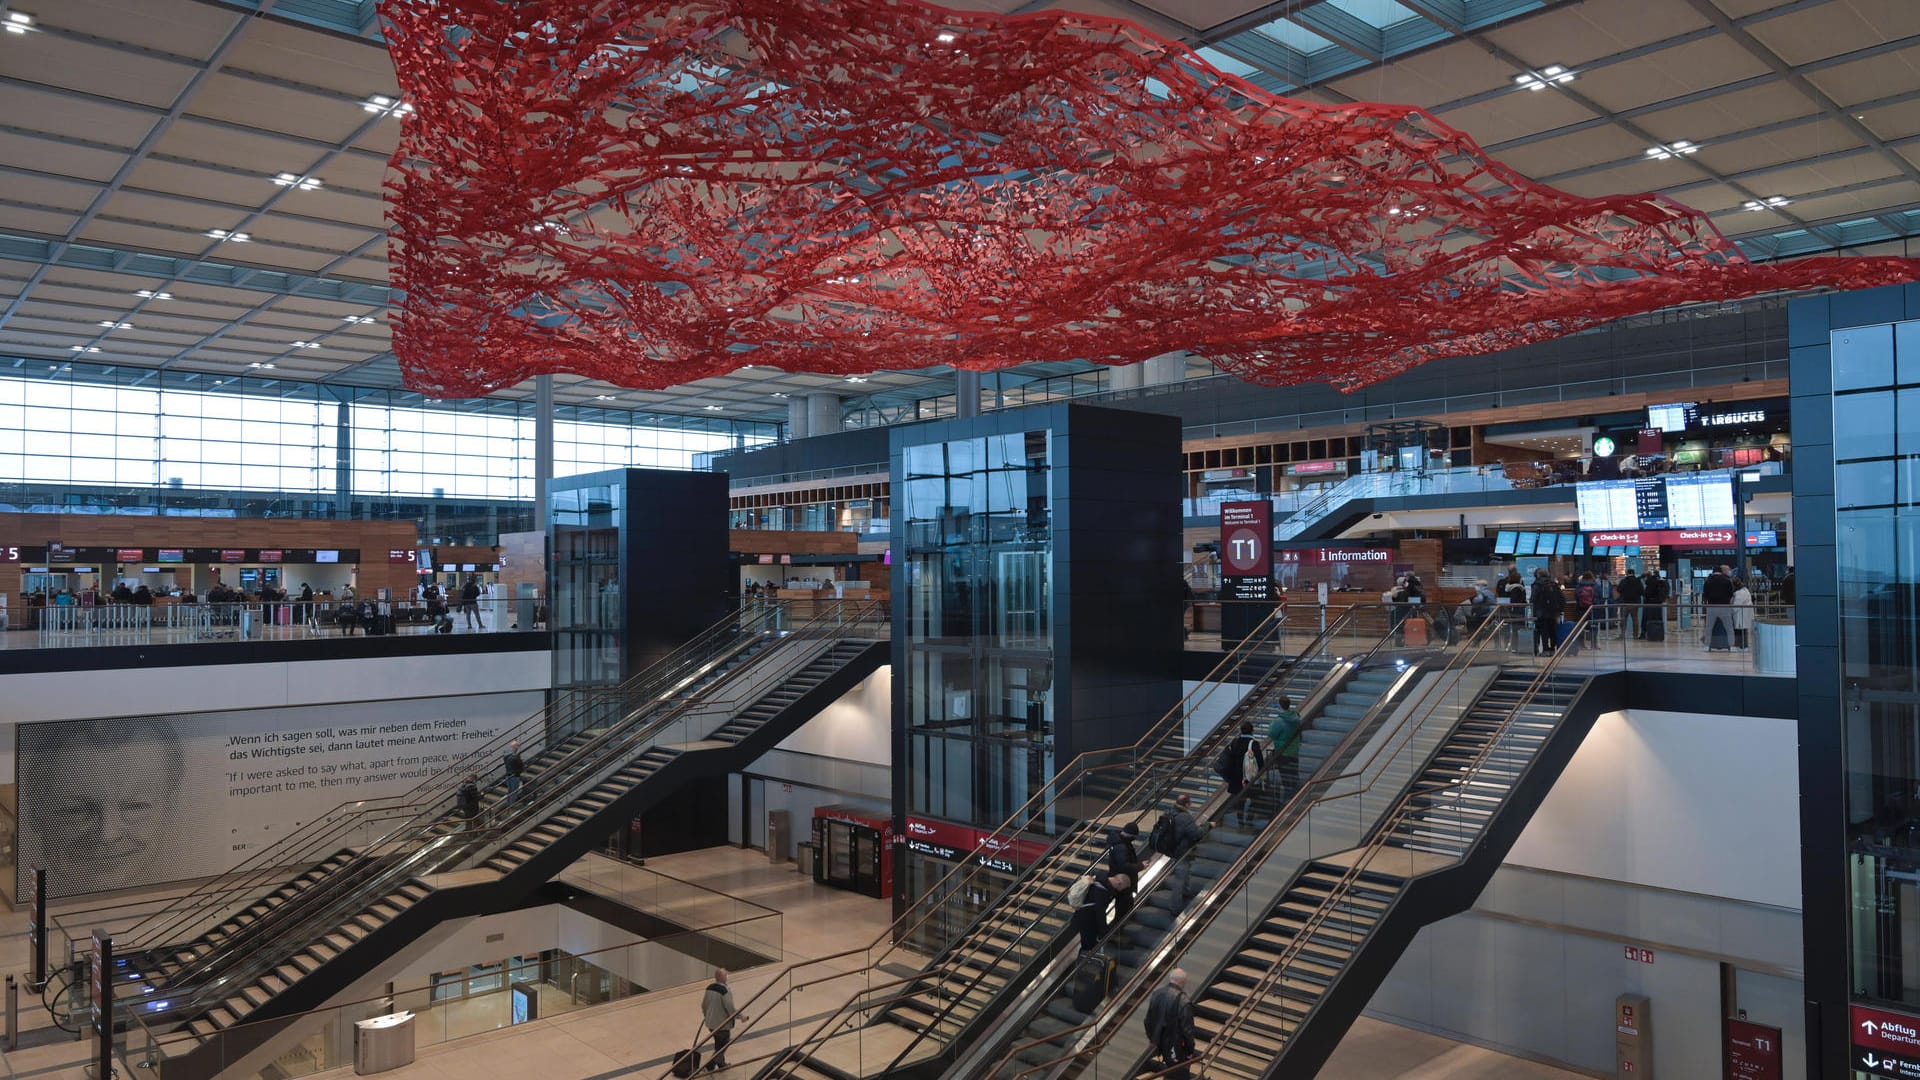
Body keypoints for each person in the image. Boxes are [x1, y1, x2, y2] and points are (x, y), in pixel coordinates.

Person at [1143, 968, 1198, 1080]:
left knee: (1169, 1070)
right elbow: (1187, 1029)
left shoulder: (1156, 994)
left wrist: (1153, 1039)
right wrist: (1190, 1049)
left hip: (1161, 1042)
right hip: (1176, 1046)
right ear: (1183, 982)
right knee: (1179, 1074)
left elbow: (1147, 1020)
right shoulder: (1183, 1001)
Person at [1214, 720, 1263, 825]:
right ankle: (1249, 820)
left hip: (1237, 777)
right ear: (1252, 731)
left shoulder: (1234, 742)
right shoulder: (1254, 744)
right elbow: (1260, 761)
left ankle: (1240, 822)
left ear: (1241, 731)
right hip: (1250, 778)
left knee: (1240, 801)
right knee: (1254, 799)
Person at [1161, 793, 1205, 909]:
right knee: (1180, 877)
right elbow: (1195, 835)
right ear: (1187, 804)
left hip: (1172, 849)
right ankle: (1175, 906)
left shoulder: (1169, 812)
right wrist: (1207, 826)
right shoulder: (1185, 817)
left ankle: (1186, 891)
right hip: (1182, 851)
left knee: (1184, 871)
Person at [1074, 872, 1128, 952]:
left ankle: (1083, 961)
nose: (1116, 891)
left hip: (1083, 916)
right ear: (1119, 883)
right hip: (1088, 920)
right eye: (1119, 889)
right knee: (1089, 947)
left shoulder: (1099, 880)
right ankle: (1084, 962)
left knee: (1086, 945)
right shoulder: (1102, 890)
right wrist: (1104, 932)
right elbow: (1100, 913)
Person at [1105, 822, 1144, 919]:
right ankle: (1120, 927)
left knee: (1123, 905)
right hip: (1123, 882)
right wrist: (1140, 866)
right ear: (1130, 834)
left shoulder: (1117, 842)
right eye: (1134, 836)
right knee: (1124, 907)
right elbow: (1124, 866)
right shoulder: (1121, 847)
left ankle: (1120, 926)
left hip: (1119, 880)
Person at [1266, 695, 1303, 792]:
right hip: (1294, 749)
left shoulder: (1279, 721)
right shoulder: (1296, 717)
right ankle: (1297, 792)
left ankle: (1289, 795)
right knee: (1294, 772)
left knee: (1285, 775)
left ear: (1279, 706)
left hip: (1283, 751)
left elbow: (1272, 734)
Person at [702, 968, 736, 1070]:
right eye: (725, 975)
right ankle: (710, 1064)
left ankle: (721, 1064)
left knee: (718, 1044)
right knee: (723, 1045)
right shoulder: (725, 990)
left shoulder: (709, 988)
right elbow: (730, 1008)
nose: (727, 977)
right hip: (722, 1024)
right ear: (721, 977)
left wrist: (707, 1016)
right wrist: (741, 1016)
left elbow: (704, 1005)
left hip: (711, 1024)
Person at [1530, 568, 1564, 656]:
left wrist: (1533, 611)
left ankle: (1545, 649)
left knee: (1543, 631)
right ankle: (1553, 648)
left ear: (1538, 575)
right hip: (1553, 612)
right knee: (1552, 630)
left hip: (1541, 612)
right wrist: (1559, 609)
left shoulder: (1537, 585)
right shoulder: (1554, 584)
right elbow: (1562, 598)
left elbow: (1533, 599)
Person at [1702, 564, 1735, 651]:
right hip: (1724, 606)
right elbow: (1731, 594)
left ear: (1713, 572)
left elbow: (1705, 594)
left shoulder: (1708, 581)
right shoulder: (1727, 581)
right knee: (1729, 628)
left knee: (1709, 628)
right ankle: (1731, 646)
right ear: (1721, 572)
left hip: (1711, 606)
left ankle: (1707, 646)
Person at [1614, 567, 1644, 640]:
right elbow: (1641, 591)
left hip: (1625, 603)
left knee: (1623, 619)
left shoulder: (1624, 581)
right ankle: (1635, 635)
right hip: (1634, 603)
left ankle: (1622, 635)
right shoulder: (1637, 581)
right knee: (1635, 619)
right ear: (1633, 573)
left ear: (1627, 573)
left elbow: (1619, 589)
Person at [1732, 576, 1754, 650]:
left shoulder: (1739, 593)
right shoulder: (1745, 590)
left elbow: (1736, 605)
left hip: (1741, 614)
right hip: (1744, 613)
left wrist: (1730, 611)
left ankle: (1743, 646)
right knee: (1743, 630)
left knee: (1740, 630)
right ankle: (1742, 646)